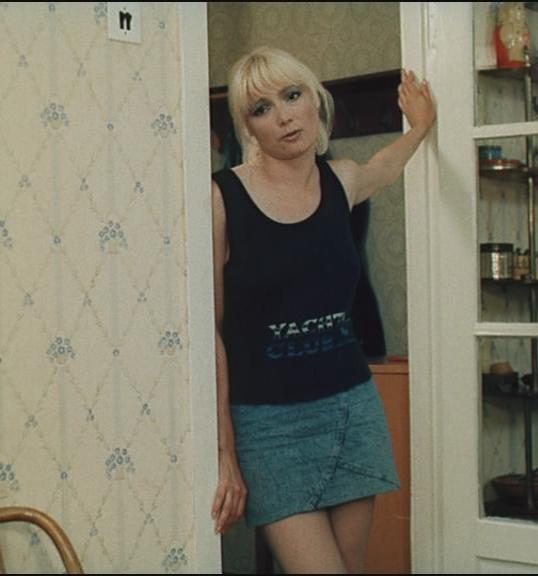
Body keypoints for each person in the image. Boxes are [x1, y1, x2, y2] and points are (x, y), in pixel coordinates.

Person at [210, 46, 436, 574]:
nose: (284, 117)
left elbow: (385, 166)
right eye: (262, 108)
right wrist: (224, 452)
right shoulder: (222, 198)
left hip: (350, 408)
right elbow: (210, 333)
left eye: (292, 96)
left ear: (316, 99)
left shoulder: (343, 180)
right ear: (248, 126)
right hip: (268, 426)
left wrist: (422, 126)